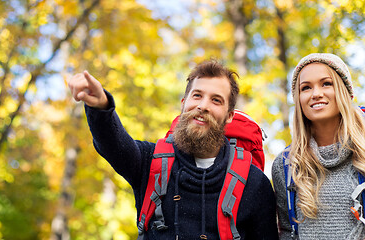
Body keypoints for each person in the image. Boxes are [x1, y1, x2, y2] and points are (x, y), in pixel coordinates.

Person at [68, 59, 279, 239]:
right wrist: (100, 105)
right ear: (183, 102)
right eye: (197, 95)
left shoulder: (254, 183)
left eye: (216, 100)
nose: (203, 105)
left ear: (230, 115)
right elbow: (113, 144)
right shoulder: (151, 162)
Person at [272, 53, 365, 240]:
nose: (316, 94)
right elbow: (286, 232)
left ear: (344, 91)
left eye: (326, 84)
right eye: (306, 88)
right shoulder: (285, 166)